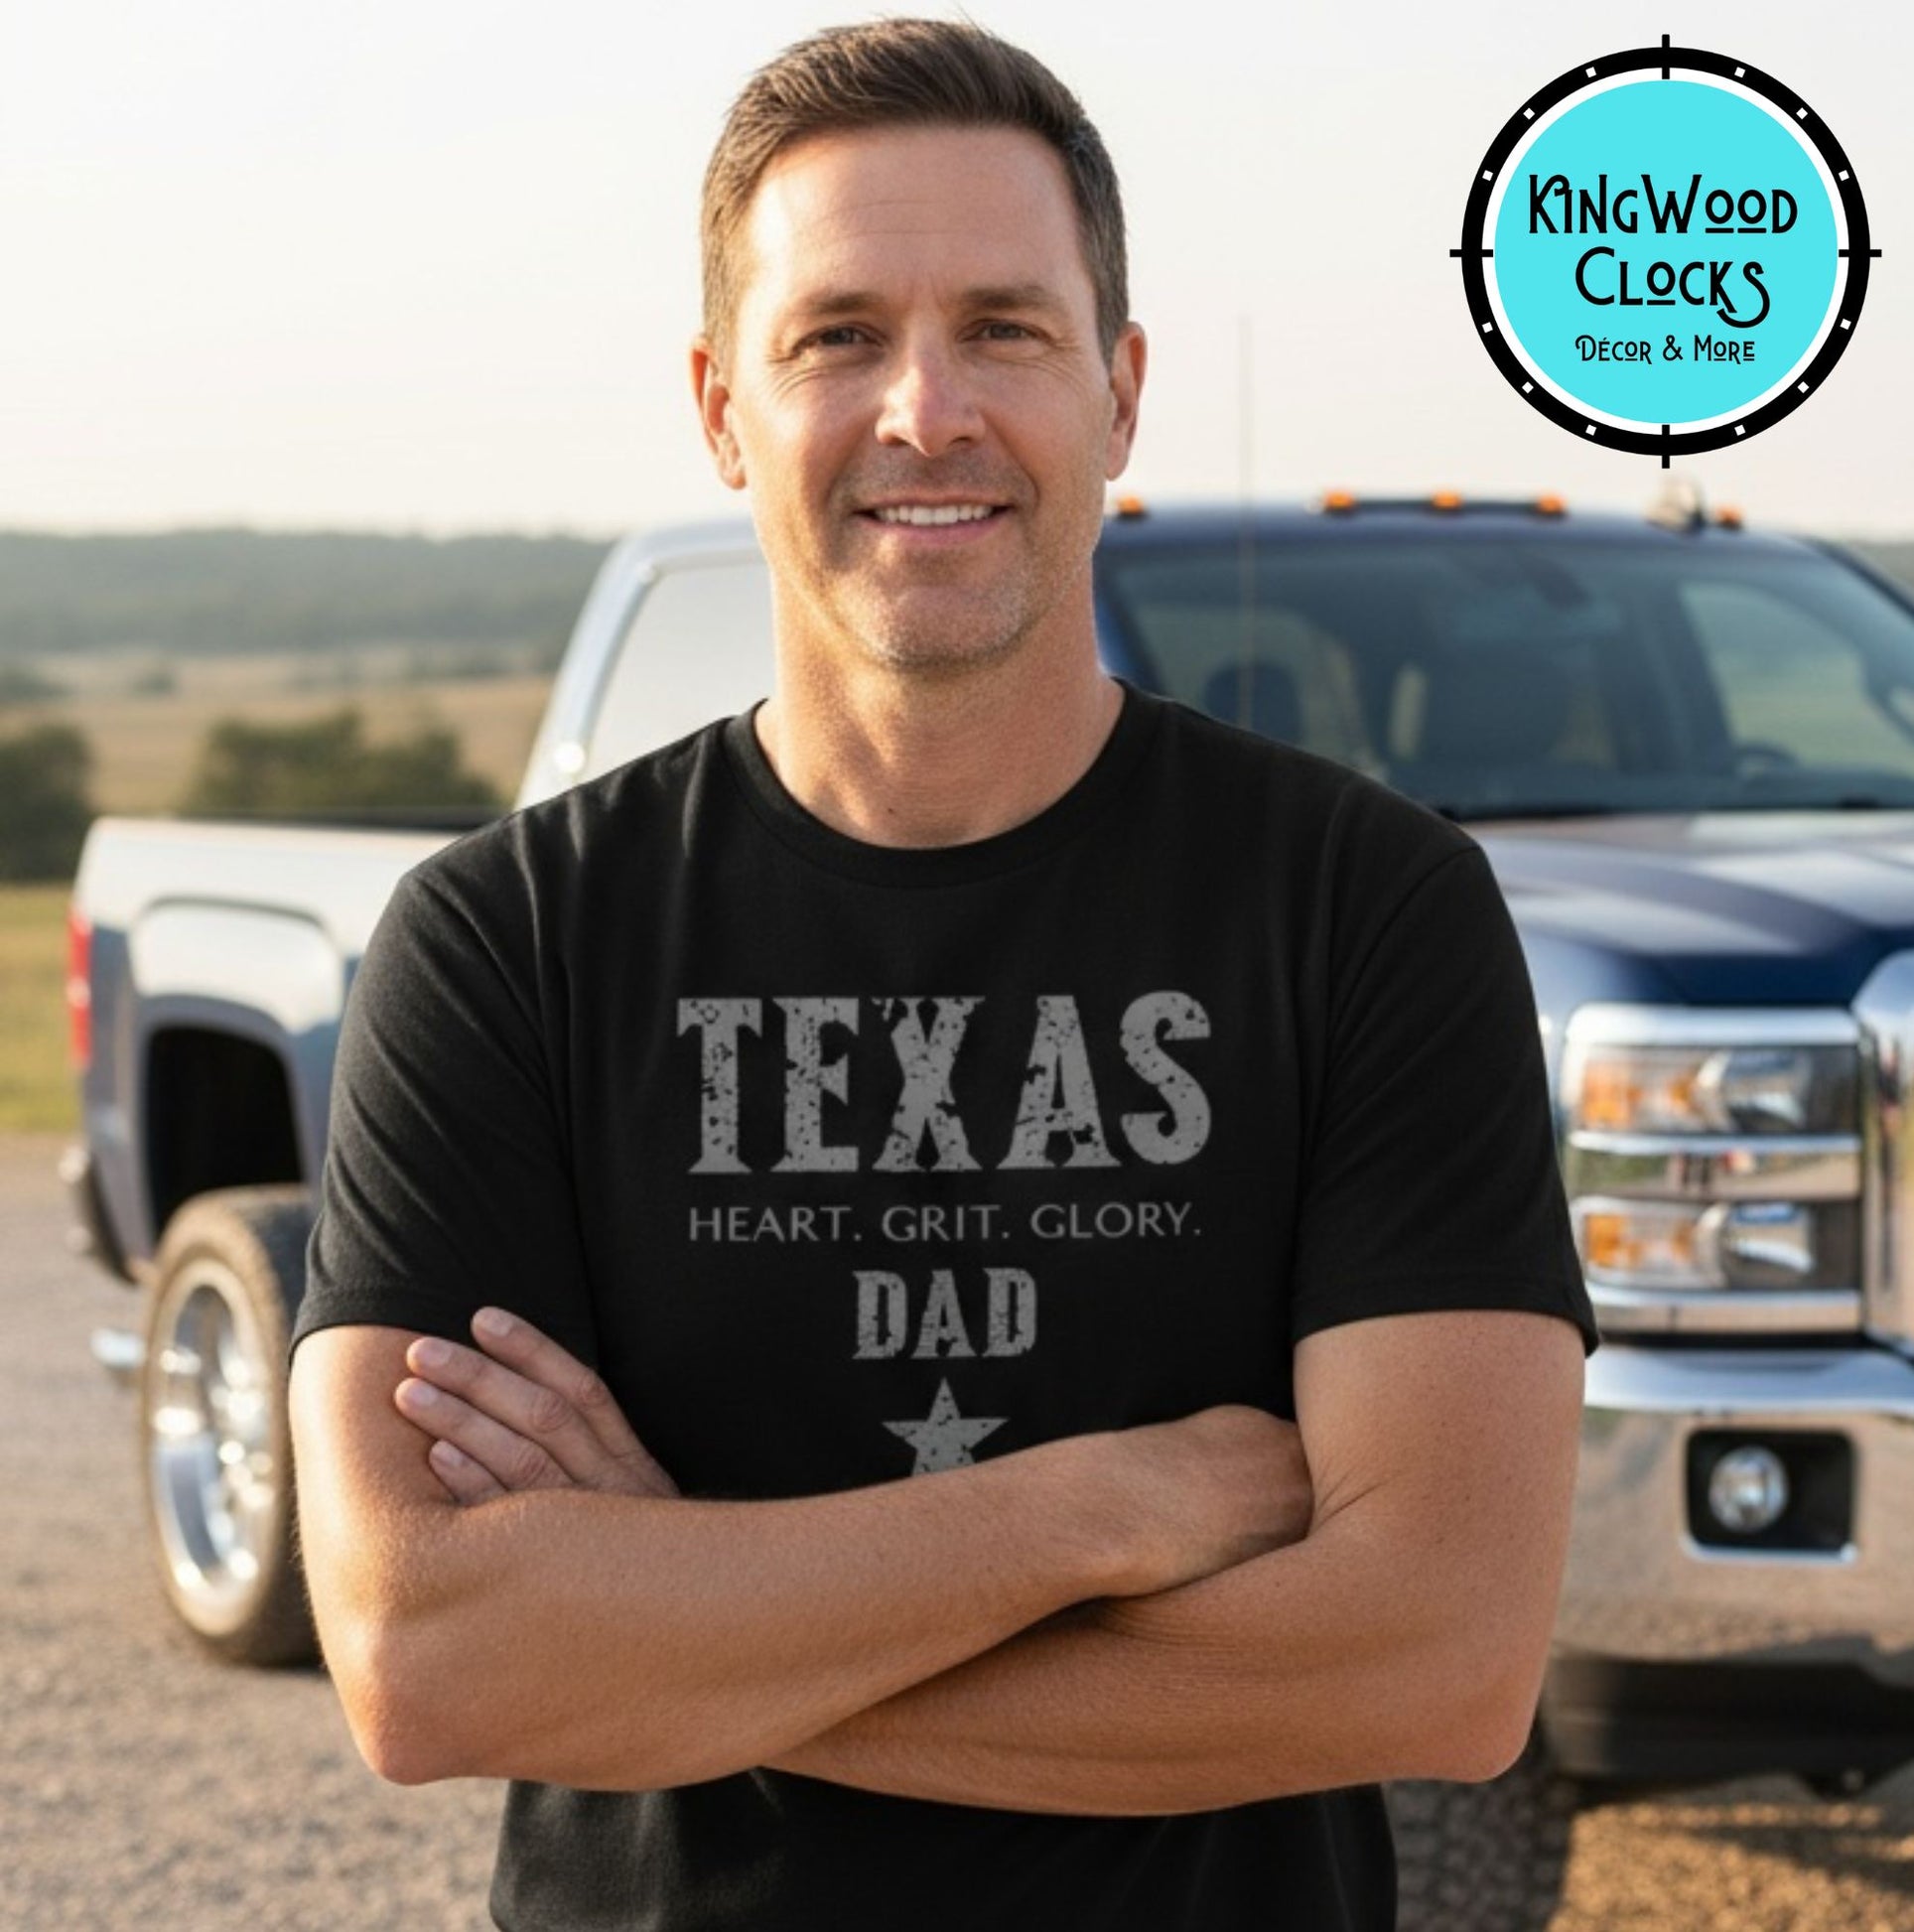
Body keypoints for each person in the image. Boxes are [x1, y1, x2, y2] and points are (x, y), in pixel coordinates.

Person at [286, 18, 1601, 1931]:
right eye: (834, 336)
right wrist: (1091, 1513)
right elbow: (430, 1661)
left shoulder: (1362, 908)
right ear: (722, 405)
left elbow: (1434, 1663)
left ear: (1119, 390)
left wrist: (683, 1611)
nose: (926, 407)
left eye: (1005, 324)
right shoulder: (511, 940)